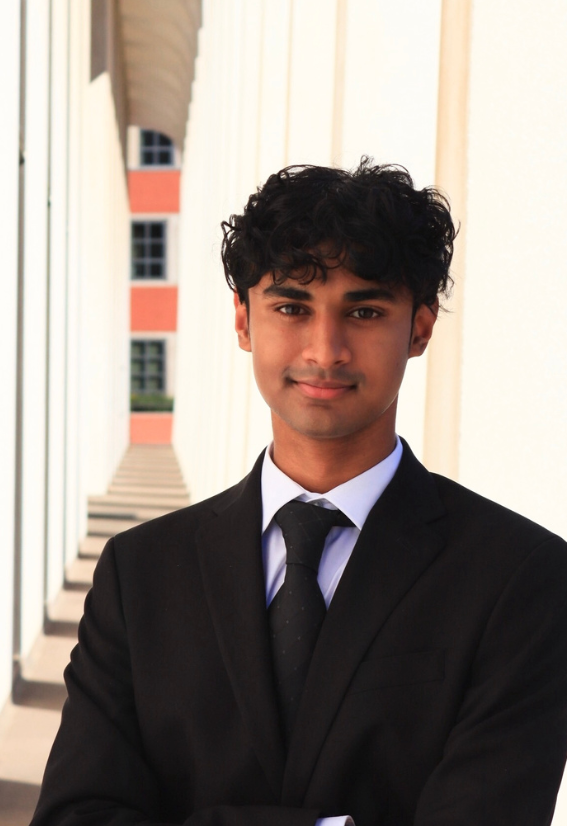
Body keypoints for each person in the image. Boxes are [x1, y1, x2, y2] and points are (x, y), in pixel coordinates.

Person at [31, 162, 567, 826]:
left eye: (365, 310)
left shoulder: (521, 578)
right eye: (292, 306)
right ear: (243, 320)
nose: (326, 348)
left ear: (421, 328)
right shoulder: (139, 575)